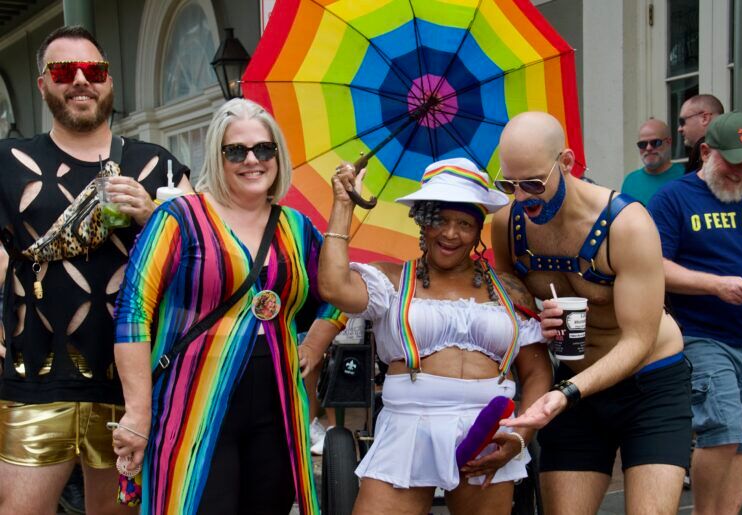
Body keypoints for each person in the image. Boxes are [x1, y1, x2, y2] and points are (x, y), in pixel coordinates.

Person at [111, 98, 345, 515]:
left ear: (278, 155)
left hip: (276, 396)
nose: (252, 160)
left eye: (263, 149)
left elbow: (339, 294)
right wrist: (137, 413)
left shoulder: (296, 226)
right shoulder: (179, 217)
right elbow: (134, 314)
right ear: (217, 156)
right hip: (191, 395)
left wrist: (314, 346)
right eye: (236, 150)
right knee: (198, 503)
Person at [0, 26, 191, 515]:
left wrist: (155, 217)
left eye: (95, 70)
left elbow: (203, 264)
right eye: (64, 70)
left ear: (109, 82)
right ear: (44, 84)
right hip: (34, 379)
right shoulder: (8, 162)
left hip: (135, 388)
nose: (81, 80)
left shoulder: (159, 166)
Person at [319, 157, 553, 514]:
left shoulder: (508, 290)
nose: (450, 234)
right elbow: (334, 287)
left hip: (487, 432)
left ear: (478, 232)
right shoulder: (393, 280)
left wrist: (522, 436)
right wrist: (342, 205)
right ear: (422, 223)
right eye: (440, 220)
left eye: (464, 224)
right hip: (408, 428)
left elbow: (537, 373)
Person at [491, 111, 691, 515]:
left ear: (565, 163)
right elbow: (510, 288)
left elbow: (639, 338)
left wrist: (566, 393)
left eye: (532, 183)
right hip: (574, 384)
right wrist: (533, 317)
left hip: (650, 381)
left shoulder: (626, 223)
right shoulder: (507, 223)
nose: (522, 197)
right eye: (508, 185)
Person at [648, 111, 742, 515]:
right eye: (732, 162)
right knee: (721, 431)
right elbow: (655, 267)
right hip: (702, 334)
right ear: (705, 152)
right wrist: (715, 285)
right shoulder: (673, 198)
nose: (741, 173)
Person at [621, 118, 684, 204]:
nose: (648, 148)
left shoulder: (685, 176)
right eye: (642, 144)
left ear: (669, 142)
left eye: (655, 142)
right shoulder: (630, 181)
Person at [678, 94, 725, 173]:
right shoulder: (697, 154)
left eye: (682, 122)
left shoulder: (723, 155)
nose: (679, 129)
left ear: (704, 118)